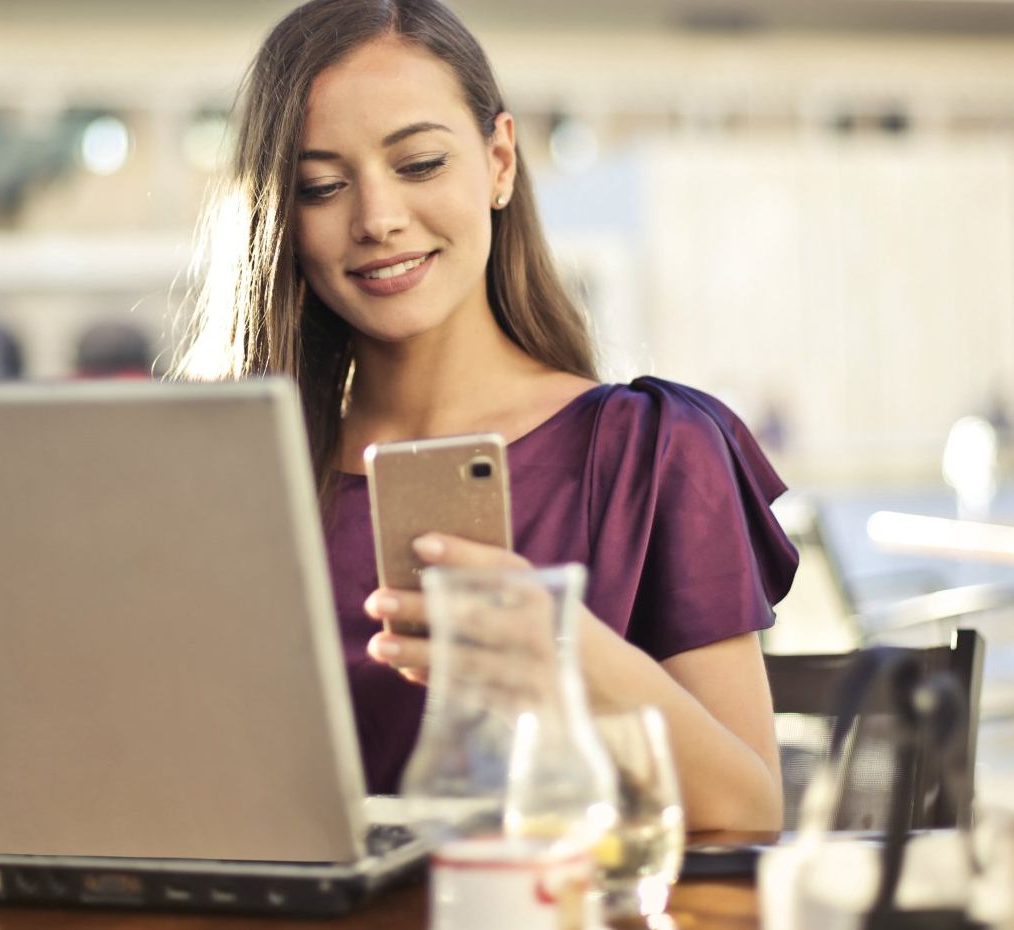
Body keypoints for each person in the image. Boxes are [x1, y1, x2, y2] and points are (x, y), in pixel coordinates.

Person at [171, 0, 798, 831]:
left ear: (499, 161)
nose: (377, 219)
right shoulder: (226, 473)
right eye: (321, 185)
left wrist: (564, 655)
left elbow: (747, 810)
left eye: (420, 164)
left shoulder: (651, 448)